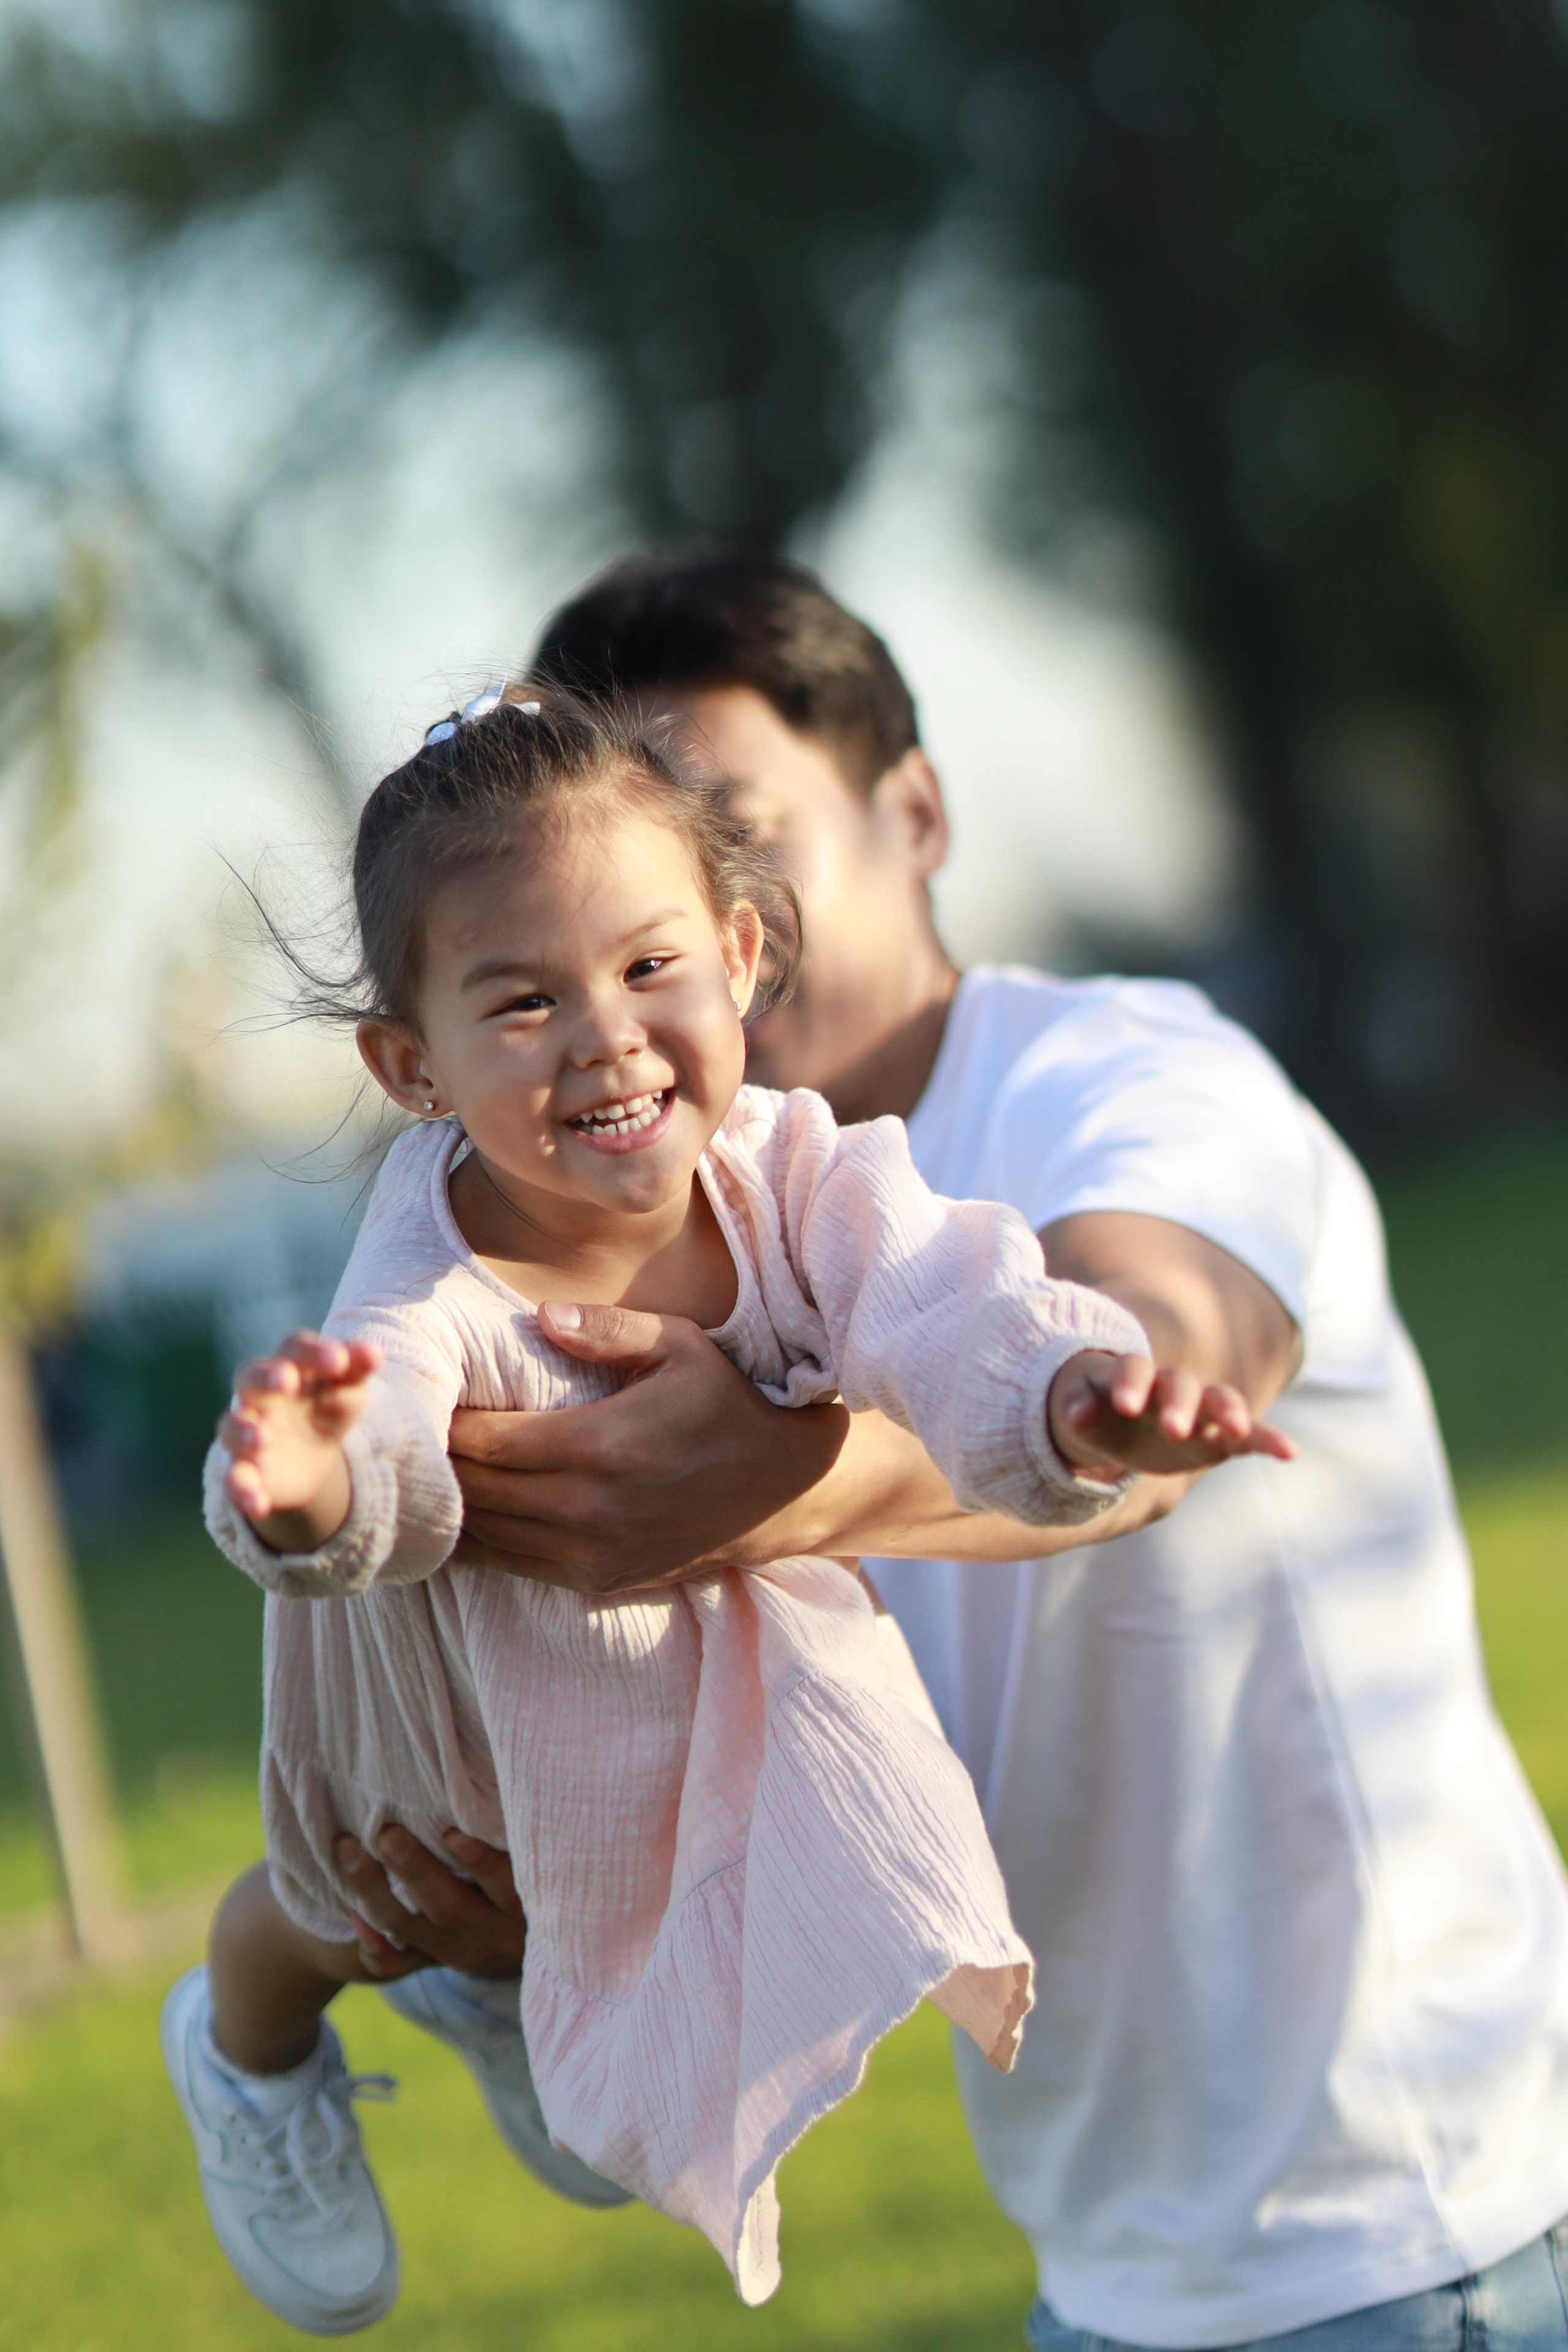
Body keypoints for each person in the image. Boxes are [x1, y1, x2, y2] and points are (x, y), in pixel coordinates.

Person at [348, 555, 1568, 2350]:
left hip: (1413, 2233)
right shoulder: (688, 1246)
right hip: (1110, 2275)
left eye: (733, 850)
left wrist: (770, 1484)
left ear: (913, 813)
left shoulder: (1133, 1072)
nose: (668, 946)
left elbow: (1151, 1366)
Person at [165, 680, 1281, 2335]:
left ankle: (507, 1985)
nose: (607, 1035)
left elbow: (946, 1296)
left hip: (627, 1734)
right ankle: (243, 2060)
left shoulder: (798, 1172)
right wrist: (306, 1478)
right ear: (411, 1063)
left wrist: (1070, 1390)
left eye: (648, 968)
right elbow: (382, 1421)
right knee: (337, 1908)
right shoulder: (434, 1270)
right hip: (426, 1733)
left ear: (743, 958)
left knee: (626, 2113)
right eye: (524, 1003)